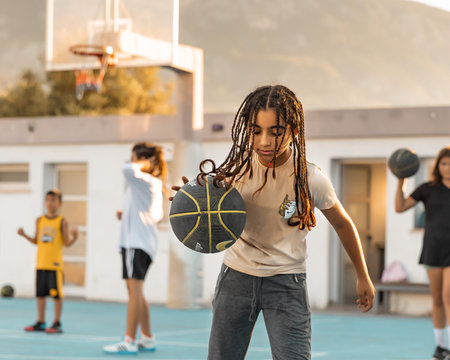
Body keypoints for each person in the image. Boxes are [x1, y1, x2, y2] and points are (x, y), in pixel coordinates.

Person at [170, 85, 375, 359]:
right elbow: (211, 202)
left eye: (275, 132)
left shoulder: (311, 179)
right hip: (237, 277)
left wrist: (363, 276)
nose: (264, 141)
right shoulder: (238, 167)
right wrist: (192, 200)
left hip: (287, 281)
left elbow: (343, 224)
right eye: (256, 131)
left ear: (294, 131)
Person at [104, 142, 167, 355]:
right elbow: (156, 215)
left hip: (136, 244)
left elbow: (126, 169)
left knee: (135, 292)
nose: (132, 162)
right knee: (137, 292)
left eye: (134, 157)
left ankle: (129, 340)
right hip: (141, 244)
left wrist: (142, 163)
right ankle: (147, 337)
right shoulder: (153, 183)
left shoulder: (145, 179)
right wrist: (127, 214)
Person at [395, 146, 450, 360]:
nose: (447, 167)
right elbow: (400, 207)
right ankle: (441, 347)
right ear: (438, 166)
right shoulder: (428, 188)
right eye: (444, 163)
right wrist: (401, 181)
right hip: (433, 249)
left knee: (448, 295)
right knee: (437, 299)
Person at [17, 189, 78, 334]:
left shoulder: (62, 221)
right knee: (40, 294)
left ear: (60, 203)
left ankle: (56, 322)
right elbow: (37, 241)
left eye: (53, 200)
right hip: (41, 263)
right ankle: (41, 321)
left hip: (55, 264)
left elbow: (66, 242)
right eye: (47, 200)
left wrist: (74, 237)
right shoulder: (39, 220)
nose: (50, 203)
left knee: (56, 295)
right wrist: (24, 234)